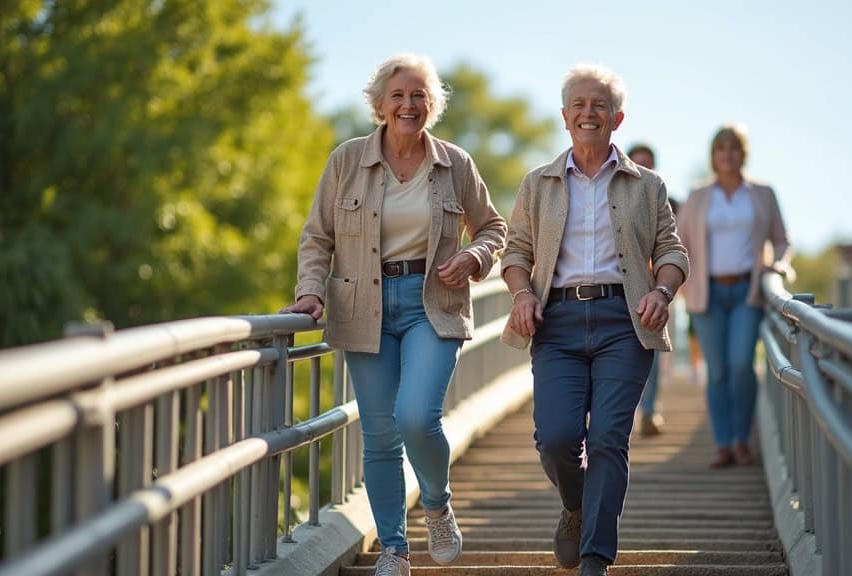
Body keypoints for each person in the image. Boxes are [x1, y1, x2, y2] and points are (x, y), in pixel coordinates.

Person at [282, 53, 507, 576]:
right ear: (380, 104)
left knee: (416, 416)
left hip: (433, 301)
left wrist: (475, 257)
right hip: (363, 305)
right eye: (399, 96)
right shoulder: (347, 161)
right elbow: (318, 237)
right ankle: (393, 548)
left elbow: (494, 228)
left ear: (433, 105)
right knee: (381, 434)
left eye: (419, 96)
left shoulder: (455, 164)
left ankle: (437, 503)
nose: (409, 105)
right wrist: (310, 292)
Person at [501, 65, 688, 576]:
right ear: (565, 117)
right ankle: (575, 505)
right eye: (579, 105)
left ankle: (594, 557)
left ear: (617, 118)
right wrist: (521, 295)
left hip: (624, 321)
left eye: (600, 105)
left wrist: (663, 290)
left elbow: (672, 250)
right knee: (557, 438)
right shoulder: (538, 184)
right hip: (556, 322)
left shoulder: (646, 185)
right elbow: (515, 252)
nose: (589, 113)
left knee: (608, 436)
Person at [676, 124, 793, 468]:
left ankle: (743, 439)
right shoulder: (698, 196)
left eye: (734, 147)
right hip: (707, 292)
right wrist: (680, 285)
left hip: (748, 290)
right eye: (721, 148)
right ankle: (723, 443)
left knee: (742, 364)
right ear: (713, 155)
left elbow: (782, 240)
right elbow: (677, 244)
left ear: (744, 153)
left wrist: (781, 265)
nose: (727, 153)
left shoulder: (762, 193)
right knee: (717, 372)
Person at [626, 143, 672, 437]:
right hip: (624, 292)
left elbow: (677, 248)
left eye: (648, 164)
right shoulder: (615, 199)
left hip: (661, 293)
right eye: (637, 163)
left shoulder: (666, 199)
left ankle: (650, 409)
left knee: (651, 353)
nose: (643, 169)